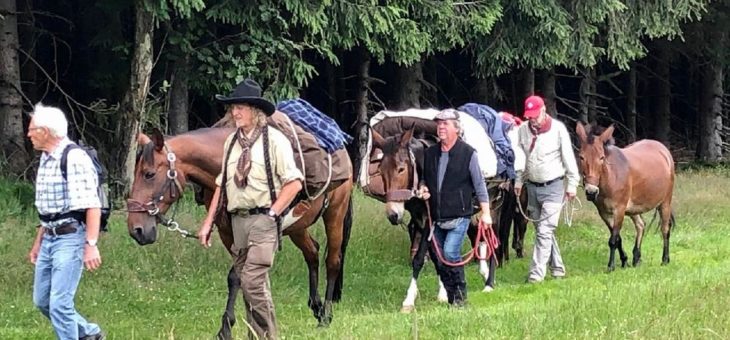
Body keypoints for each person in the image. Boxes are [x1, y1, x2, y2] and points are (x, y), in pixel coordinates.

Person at [198, 78, 303, 339]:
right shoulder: (231, 142)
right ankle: (256, 335)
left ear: (255, 111)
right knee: (250, 283)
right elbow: (221, 185)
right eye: (233, 108)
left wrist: (273, 213)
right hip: (238, 222)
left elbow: (295, 183)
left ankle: (269, 335)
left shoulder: (275, 141)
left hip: (263, 220)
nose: (235, 113)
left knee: (252, 280)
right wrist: (208, 223)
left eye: (241, 108)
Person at [27, 103, 105, 340]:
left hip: (70, 238)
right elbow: (49, 210)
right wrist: (37, 242)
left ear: (46, 131)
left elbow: (93, 205)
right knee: (42, 301)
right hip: (49, 237)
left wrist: (90, 244)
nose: (28, 134)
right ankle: (89, 332)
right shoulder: (46, 157)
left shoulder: (74, 158)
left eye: (32, 130)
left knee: (60, 304)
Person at [417, 109, 492, 307]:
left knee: (450, 254)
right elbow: (425, 178)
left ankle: (460, 296)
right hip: (436, 216)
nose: (441, 127)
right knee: (439, 259)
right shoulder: (430, 154)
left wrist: (486, 213)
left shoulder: (468, 154)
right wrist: (423, 188)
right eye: (439, 124)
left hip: (460, 215)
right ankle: (453, 297)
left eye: (445, 124)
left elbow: (479, 185)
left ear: (456, 129)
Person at [513, 95, 580, 283]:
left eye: (535, 115)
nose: (532, 119)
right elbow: (521, 157)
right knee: (543, 230)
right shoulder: (522, 131)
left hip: (554, 186)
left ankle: (536, 275)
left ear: (543, 111)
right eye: (529, 116)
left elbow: (569, 158)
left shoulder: (558, 129)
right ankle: (558, 269)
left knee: (544, 230)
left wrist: (573, 184)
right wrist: (518, 181)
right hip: (532, 186)